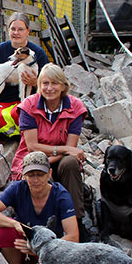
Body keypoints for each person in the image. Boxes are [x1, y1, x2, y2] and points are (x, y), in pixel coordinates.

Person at [0, 151, 79, 264]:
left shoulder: (61, 196)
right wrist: (15, 224)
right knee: (2, 228)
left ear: (49, 174)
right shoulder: (18, 188)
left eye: (40, 174)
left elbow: (73, 236)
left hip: (51, 246)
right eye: (31, 175)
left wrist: (37, 249)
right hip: (25, 240)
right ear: (23, 175)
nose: (35, 179)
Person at [10, 63, 88, 222]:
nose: (49, 88)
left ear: (63, 85)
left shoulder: (75, 107)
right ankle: (44, 222)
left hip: (59, 159)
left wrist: (58, 155)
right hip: (32, 158)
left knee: (71, 163)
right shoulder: (29, 106)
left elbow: (71, 149)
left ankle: (76, 219)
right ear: (39, 85)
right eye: (45, 83)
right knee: (40, 173)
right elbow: (32, 146)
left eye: (54, 83)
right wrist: (58, 154)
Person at [0, 12, 49, 136]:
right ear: (8, 30)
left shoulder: (38, 53)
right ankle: (24, 132)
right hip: (4, 102)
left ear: (28, 31)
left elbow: (48, 85)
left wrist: (35, 83)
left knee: (26, 113)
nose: (16, 33)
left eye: (20, 29)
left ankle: (20, 132)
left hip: (30, 101)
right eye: (13, 29)